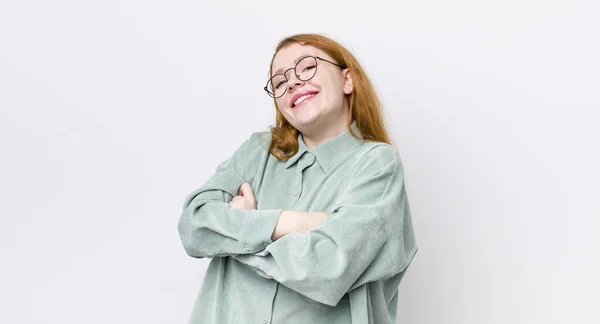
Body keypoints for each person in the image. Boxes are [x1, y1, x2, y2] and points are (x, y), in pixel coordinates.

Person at [177, 33, 418, 324]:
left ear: (347, 80)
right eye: (279, 82)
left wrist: (237, 234)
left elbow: (328, 266)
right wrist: (291, 222)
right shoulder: (259, 151)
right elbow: (194, 225)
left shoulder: (378, 164)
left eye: (307, 67)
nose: (292, 82)